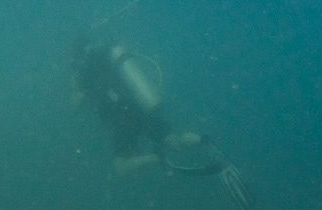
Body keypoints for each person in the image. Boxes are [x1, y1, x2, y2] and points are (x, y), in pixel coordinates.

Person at [73, 41, 254, 209]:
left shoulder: (83, 72)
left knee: (121, 166)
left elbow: (74, 103)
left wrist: (80, 92)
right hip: (142, 108)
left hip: (122, 120)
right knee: (175, 140)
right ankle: (205, 142)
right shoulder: (109, 55)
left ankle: (156, 158)